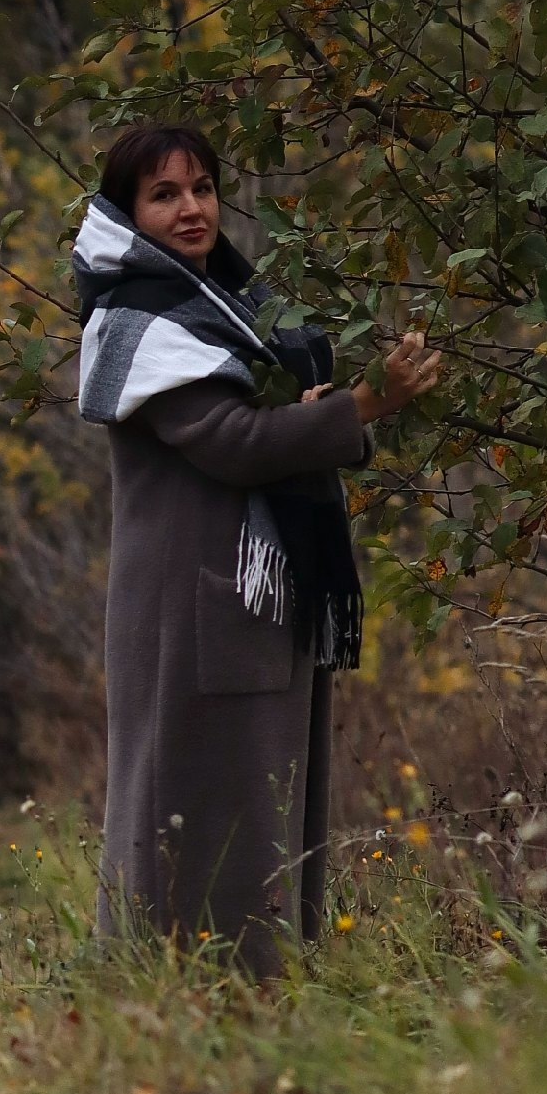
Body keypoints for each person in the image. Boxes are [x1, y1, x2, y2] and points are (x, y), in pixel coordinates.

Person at [73, 121, 442, 974]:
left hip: (242, 601)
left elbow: (261, 426)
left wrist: (318, 408)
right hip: (187, 615)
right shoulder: (137, 322)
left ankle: (254, 997)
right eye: (163, 194)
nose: (191, 208)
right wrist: (365, 403)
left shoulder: (221, 308)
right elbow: (235, 441)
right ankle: (174, 999)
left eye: (200, 187)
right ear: (128, 213)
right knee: (191, 804)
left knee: (255, 801)